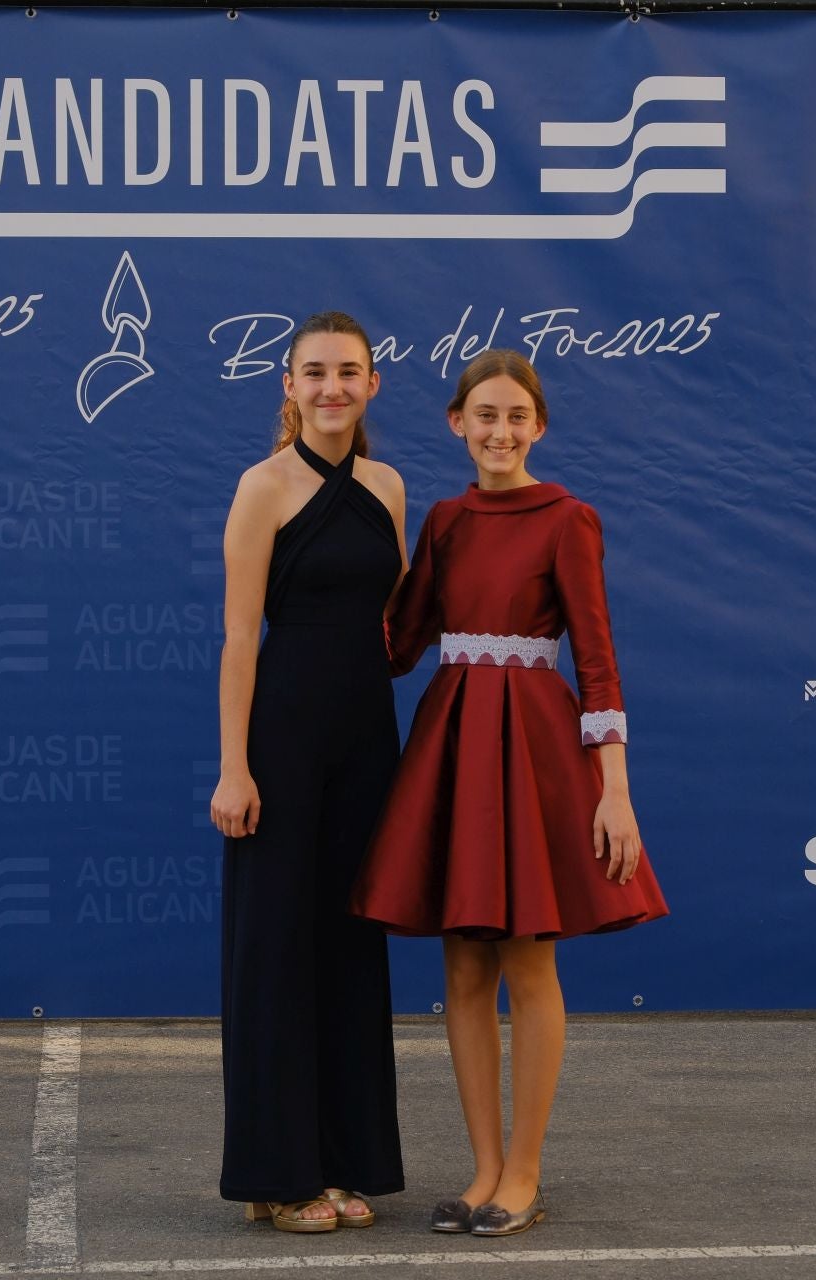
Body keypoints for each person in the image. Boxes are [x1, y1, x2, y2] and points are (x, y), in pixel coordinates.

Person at [352, 349, 669, 1238]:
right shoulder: (445, 521)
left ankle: (524, 1171)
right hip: (453, 744)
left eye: (515, 417)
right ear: (457, 424)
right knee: (460, 967)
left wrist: (615, 792)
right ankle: (483, 1166)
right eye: (483, 416)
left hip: (530, 751)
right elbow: (397, 642)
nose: (499, 432)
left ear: (538, 428)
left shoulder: (569, 518)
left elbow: (599, 662)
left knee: (528, 960)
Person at [211, 311, 407, 1233]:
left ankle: (336, 1161)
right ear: (287, 387)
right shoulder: (262, 487)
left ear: (372, 385)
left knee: (348, 952)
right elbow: (240, 638)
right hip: (281, 748)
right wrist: (233, 769)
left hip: (369, 745)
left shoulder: (391, 488)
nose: (333, 387)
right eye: (315, 372)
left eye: (349, 372)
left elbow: (390, 628)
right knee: (275, 954)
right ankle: (275, 1175)